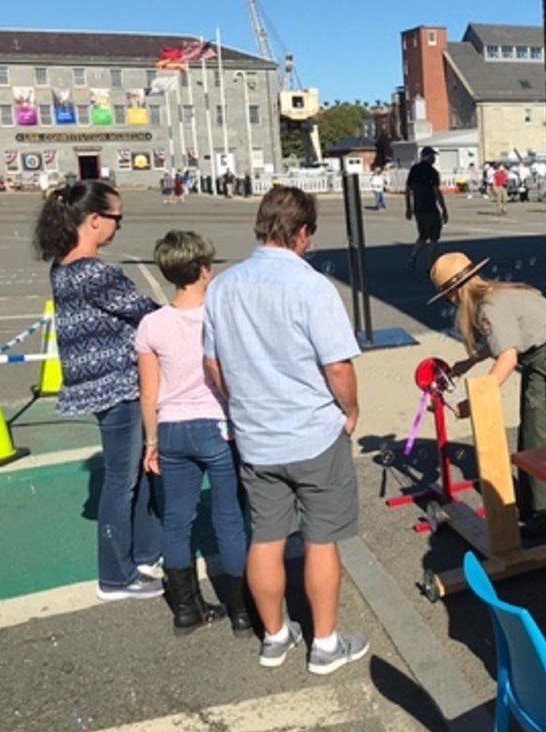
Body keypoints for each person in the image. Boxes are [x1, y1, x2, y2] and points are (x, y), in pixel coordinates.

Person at [204, 186, 368, 674]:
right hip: (312, 430)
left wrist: (239, 403)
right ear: (302, 233)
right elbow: (337, 365)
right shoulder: (312, 287)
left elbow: (212, 363)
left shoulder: (224, 287)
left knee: (267, 535)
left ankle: (274, 636)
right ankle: (325, 643)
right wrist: (352, 409)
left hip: (256, 435)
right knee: (322, 538)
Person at [33, 181, 163, 601]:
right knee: (124, 479)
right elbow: (147, 314)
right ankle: (116, 575)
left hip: (96, 384)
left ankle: (145, 552)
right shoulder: (95, 273)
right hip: (118, 386)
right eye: (116, 220)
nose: (118, 228)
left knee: (137, 470)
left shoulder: (63, 266)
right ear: (94, 220)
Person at [136, 230, 251, 636]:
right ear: (204, 271)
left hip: (172, 428)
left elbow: (149, 393)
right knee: (229, 519)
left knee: (176, 520)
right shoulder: (220, 317)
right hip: (217, 425)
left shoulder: (151, 325)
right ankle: (240, 611)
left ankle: (186, 609)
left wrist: (151, 442)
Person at [428, 252, 546, 538]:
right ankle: (531, 504)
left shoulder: (489, 306)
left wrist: (477, 401)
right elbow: (502, 339)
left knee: (539, 436)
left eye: (449, 296)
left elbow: (508, 358)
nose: (451, 302)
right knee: (532, 431)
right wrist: (469, 363)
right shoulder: (494, 296)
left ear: (454, 292)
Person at [405, 146, 448, 269]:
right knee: (434, 238)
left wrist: (409, 207)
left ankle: (413, 256)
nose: (434, 158)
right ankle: (432, 266)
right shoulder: (433, 172)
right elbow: (436, 192)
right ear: (428, 156)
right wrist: (444, 209)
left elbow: (408, 190)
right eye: (433, 156)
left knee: (423, 235)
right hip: (430, 208)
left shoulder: (414, 170)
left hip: (418, 209)